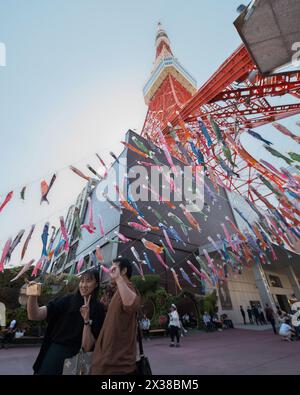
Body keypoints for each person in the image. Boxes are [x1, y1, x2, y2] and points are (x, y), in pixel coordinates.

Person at [27, 269, 105, 375]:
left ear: (96, 284)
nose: (83, 285)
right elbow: (34, 315)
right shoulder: (66, 301)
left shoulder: (99, 309)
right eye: (82, 281)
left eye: (88, 281)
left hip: (78, 360)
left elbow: (87, 347)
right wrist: (32, 296)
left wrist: (86, 320)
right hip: (54, 356)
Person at [90, 258, 141, 375]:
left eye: (114, 268)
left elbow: (130, 304)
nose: (110, 270)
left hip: (118, 365)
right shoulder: (117, 291)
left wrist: (118, 278)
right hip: (107, 361)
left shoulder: (129, 287)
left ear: (123, 271)